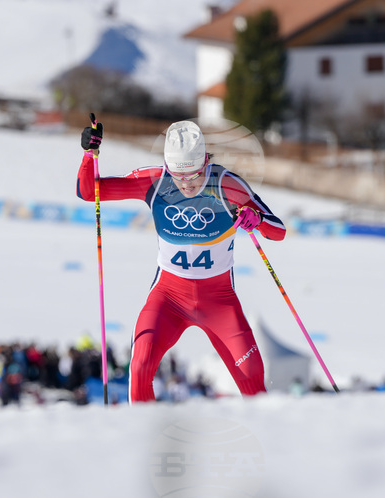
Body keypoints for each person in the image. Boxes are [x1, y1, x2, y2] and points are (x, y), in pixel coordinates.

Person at [76, 119, 286, 403]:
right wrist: (89, 155)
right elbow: (90, 192)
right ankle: (141, 437)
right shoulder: (155, 181)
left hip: (219, 302)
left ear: (205, 163)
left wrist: (257, 219)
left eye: (194, 175)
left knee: (252, 379)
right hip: (168, 299)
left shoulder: (227, 186)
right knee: (139, 367)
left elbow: (279, 231)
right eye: (178, 175)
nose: (186, 183)